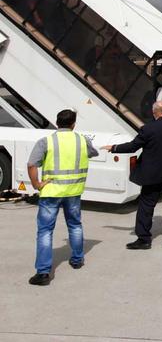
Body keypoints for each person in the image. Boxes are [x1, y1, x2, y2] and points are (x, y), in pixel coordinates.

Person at [103, 102, 162, 249]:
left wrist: (113, 148)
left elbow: (132, 147)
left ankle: (144, 239)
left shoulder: (148, 129)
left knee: (146, 205)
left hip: (152, 174)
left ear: (154, 112)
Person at [27, 109, 98, 285]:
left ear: (57, 122)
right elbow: (93, 153)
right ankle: (77, 259)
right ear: (73, 124)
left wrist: (36, 184)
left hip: (51, 192)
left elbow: (31, 164)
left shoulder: (46, 141)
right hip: (73, 191)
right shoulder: (82, 140)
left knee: (45, 231)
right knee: (75, 224)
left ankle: (43, 273)